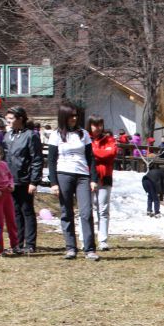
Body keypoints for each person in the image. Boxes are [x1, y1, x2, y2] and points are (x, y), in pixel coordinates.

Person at [48, 102, 99, 261]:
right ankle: (70, 248)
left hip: (82, 176)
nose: (74, 118)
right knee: (66, 212)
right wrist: (53, 183)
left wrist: (93, 179)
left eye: (76, 115)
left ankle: (89, 249)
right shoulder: (56, 135)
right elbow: (51, 160)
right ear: (64, 117)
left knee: (86, 212)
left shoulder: (83, 134)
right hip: (63, 174)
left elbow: (91, 158)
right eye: (71, 116)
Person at [3, 106, 43, 254]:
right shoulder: (8, 136)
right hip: (11, 180)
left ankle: (30, 244)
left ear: (20, 119)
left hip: (25, 180)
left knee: (27, 210)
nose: (8, 121)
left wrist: (34, 181)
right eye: (7, 118)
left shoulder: (31, 136)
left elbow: (37, 160)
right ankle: (17, 243)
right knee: (15, 212)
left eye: (11, 118)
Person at [88, 116, 118, 251]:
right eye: (95, 125)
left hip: (105, 176)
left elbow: (111, 153)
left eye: (100, 124)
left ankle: (103, 240)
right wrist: (100, 154)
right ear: (90, 125)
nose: (98, 128)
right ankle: (87, 239)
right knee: (87, 209)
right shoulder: (85, 138)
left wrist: (93, 153)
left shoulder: (109, 139)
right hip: (88, 177)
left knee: (103, 209)